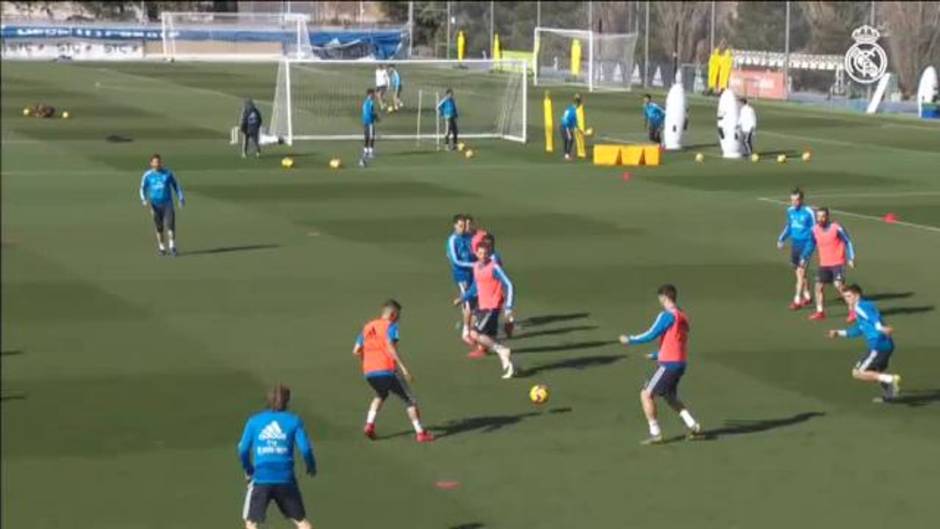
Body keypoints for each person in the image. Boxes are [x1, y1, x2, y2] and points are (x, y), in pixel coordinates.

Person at [619, 284, 703, 445]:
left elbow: (650, 334)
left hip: (669, 365)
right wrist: (658, 354)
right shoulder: (683, 316)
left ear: (664, 298)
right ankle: (693, 424)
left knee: (646, 394)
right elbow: (678, 341)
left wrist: (629, 339)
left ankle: (655, 432)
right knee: (670, 396)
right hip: (680, 363)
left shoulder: (666, 316)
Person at [238, 384, 317, 529]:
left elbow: (243, 449)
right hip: (285, 478)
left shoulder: (254, 421)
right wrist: (311, 465)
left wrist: (248, 469)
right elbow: (305, 449)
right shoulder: (294, 421)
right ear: (287, 401)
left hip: (261, 478)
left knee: (251, 522)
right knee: (301, 521)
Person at [354, 299, 434, 443]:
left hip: (369, 372)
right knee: (410, 400)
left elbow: (356, 350)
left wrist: (366, 362)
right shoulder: (390, 326)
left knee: (381, 394)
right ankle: (421, 433)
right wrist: (403, 368)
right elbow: (391, 346)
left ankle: (369, 424)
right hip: (387, 369)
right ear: (392, 314)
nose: (399, 318)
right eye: (398, 315)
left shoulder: (367, 327)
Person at [827, 284, 901, 403]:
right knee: (876, 372)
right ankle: (890, 395)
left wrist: (880, 327)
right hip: (886, 344)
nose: (847, 300)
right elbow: (859, 329)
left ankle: (891, 379)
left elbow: (873, 318)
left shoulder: (860, 306)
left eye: (849, 296)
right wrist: (838, 333)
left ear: (857, 296)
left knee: (858, 373)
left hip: (878, 345)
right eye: (845, 297)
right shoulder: (865, 306)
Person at [457, 242, 518, 378]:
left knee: (474, 333)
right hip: (482, 306)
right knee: (490, 337)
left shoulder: (494, 267)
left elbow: (509, 284)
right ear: (476, 253)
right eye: (480, 253)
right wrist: (463, 298)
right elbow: (475, 287)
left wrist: (508, 306)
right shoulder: (476, 267)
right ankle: (512, 366)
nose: (483, 256)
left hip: (492, 306)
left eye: (485, 253)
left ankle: (502, 350)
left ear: (489, 253)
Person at [800, 207, 856, 321]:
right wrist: (804, 257)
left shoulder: (836, 228)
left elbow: (847, 241)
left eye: (823, 216)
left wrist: (851, 257)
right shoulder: (814, 229)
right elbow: (811, 244)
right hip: (824, 264)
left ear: (828, 217)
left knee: (838, 285)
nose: (820, 219)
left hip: (838, 263)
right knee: (818, 287)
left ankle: (853, 311)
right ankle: (820, 312)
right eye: (818, 217)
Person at [776, 188, 815, 310]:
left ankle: (797, 300)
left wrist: (810, 247)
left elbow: (815, 231)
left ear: (802, 200)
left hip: (806, 244)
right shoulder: (790, 211)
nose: (794, 202)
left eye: (796, 200)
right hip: (795, 245)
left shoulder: (809, 212)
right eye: (792, 200)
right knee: (799, 273)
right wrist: (781, 239)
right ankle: (807, 295)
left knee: (800, 273)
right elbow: (789, 226)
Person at [139, 154, 184, 256]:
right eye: (155, 162)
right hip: (155, 205)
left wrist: (181, 198)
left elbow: (176, 186)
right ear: (151, 163)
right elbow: (142, 188)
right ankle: (162, 247)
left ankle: (172, 246)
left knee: (170, 225)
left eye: (159, 162)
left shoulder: (168, 173)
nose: (157, 164)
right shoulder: (147, 175)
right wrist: (143, 199)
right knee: (159, 228)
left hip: (167, 203)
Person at [445, 214, 476, 348]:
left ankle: (471, 327)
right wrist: (475, 265)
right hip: (461, 275)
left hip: (472, 274)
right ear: (455, 225)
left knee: (472, 302)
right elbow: (455, 260)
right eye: (460, 226)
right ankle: (465, 332)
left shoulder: (468, 237)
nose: (463, 228)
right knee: (468, 303)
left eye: (464, 226)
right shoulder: (453, 239)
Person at [360, 88, 378, 165]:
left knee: (366, 136)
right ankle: (370, 152)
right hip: (370, 122)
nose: (374, 95)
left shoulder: (364, 103)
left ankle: (365, 151)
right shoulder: (370, 102)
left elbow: (365, 112)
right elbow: (371, 112)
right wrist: (376, 117)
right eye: (373, 94)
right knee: (371, 137)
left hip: (365, 121)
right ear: (370, 94)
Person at [560, 94, 580, 161]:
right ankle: (567, 155)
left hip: (562, 126)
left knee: (566, 140)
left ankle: (566, 155)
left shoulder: (568, 109)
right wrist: (577, 129)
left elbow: (564, 117)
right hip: (566, 127)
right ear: (577, 104)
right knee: (570, 139)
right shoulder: (574, 112)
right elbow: (574, 123)